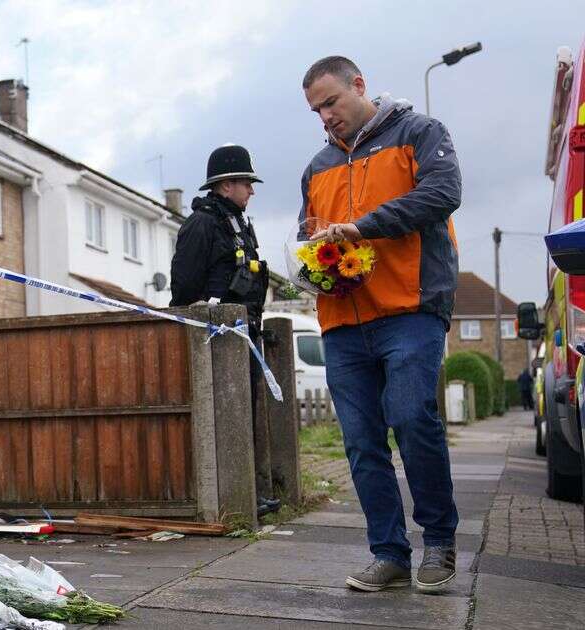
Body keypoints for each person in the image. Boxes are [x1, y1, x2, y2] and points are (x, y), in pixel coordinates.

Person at [299, 56, 461, 594]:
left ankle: (438, 543)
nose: (325, 117)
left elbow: (443, 195)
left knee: (412, 417)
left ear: (358, 85)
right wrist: (311, 268)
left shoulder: (421, 131)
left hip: (411, 309)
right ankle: (388, 554)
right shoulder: (316, 166)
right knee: (362, 442)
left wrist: (362, 228)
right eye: (316, 110)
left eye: (330, 102)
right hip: (342, 320)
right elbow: (312, 232)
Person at [170, 144, 278, 517]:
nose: (252, 190)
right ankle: (230, 498)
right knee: (222, 419)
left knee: (243, 414)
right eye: (247, 183)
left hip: (244, 334)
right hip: (214, 343)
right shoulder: (202, 224)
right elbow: (183, 288)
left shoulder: (239, 223)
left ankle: (246, 492)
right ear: (226, 185)